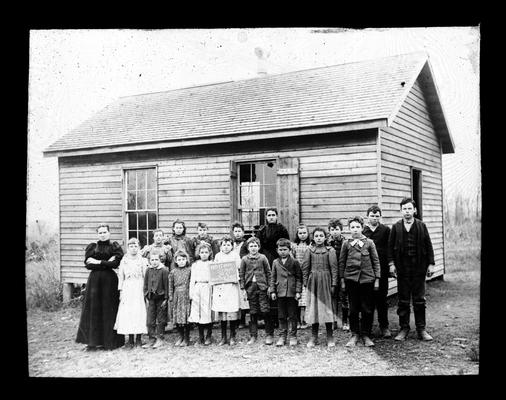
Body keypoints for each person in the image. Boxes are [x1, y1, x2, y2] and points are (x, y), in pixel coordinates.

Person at [388, 198, 435, 341]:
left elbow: (428, 245)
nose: (407, 212)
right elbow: (390, 248)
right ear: (401, 210)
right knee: (403, 300)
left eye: (410, 209)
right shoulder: (396, 227)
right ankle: (404, 328)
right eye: (404, 209)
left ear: (414, 210)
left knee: (419, 300)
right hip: (402, 269)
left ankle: (421, 329)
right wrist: (392, 264)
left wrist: (431, 264)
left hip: (419, 268)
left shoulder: (422, 226)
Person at [76, 223, 125, 351]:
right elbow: (88, 265)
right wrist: (106, 262)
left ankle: (109, 342)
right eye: (100, 232)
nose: (103, 235)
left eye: (105, 232)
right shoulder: (92, 247)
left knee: (109, 309)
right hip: (94, 282)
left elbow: (115, 263)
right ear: (97, 234)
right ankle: (92, 342)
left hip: (109, 281)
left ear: (109, 233)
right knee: (93, 309)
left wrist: (98, 261)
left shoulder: (114, 247)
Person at [339, 216, 380, 347]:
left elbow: (376, 261)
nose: (355, 230)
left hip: (367, 280)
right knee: (353, 309)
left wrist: (377, 279)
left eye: (357, 227)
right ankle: (355, 334)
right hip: (351, 280)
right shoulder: (346, 244)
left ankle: (366, 334)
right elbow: (342, 263)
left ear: (362, 228)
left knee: (367, 308)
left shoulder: (369, 243)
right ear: (349, 229)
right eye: (352, 227)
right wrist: (343, 280)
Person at [302, 227, 338, 348]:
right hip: (313, 282)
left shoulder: (330, 250)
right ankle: (314, 336)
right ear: (313, 237)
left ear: (325, 237)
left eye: (321, 236)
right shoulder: (309, 250)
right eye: (316, 236)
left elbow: (334, 269)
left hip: (326, 281)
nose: (319, 238)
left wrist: (333, 284)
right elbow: (305, 268)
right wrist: (305, 283)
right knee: (314, 308)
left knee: (327, 307)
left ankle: (329, 335)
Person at [257, 208, 289, 330]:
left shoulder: (282, 229)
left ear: (276, 216)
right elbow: (258, 246)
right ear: (266, 217)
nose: (271, 217)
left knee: (277, 286)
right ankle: (266, 319)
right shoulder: (262, 231)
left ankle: (278, 318)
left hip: (278, 259)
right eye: (269, 215)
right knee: (266, 287)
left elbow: (285, 244)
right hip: (265, 260)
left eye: (273, 215)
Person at [363, 205, 392, 338]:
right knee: (367, 299)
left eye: (377, 216)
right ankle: (367, 328)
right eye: (372, 216)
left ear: (380, 217)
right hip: (367, 270)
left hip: (382, 269)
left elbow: (390, 248)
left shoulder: (386, 230)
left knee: (382, 298)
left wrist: (391, 264)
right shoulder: (363, 231)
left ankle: (384, 326)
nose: (374, 218)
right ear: (367, 217)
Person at [114, 238, 149, 349]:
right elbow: (121, 277)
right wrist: (121, 290)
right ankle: (130, 340)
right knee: (128, 312)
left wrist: (145, 290)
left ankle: (138, 339)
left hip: (139, 287)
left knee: (138, 311)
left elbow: (146, 276)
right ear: (128, 248)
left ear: (139, 248)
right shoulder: (124, 260)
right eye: (131, 246)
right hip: (128, 287)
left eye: (135, 246)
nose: (133, 249)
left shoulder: (143, 260)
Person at [240, 237, 274, 345]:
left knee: (265, 310)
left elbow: (269, 273)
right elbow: (241, 274)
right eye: (251, 246)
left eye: (255, 246)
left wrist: (270, 287)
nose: (253, 248)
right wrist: (243, 288)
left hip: (262, 287)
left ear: (258, 247)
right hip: (250, 287)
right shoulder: (245, 259)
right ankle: (253, 335)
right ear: (248, 248)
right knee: (253, 312)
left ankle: (269, 334)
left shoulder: (263, 258)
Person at [270, 238, 302, 346]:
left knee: (292, 315)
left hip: (291, 292)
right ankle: (282, 336)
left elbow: (298, 278)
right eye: (280, 249)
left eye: (285, 249)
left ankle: (293, 336)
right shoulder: (275, 262)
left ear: (289, 250)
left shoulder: (295, 262)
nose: (282, 251)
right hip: (280, 292)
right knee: (281, 315)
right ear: (277, 250)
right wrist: (273, 291)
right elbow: (273, 278)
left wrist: (298, 291)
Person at [211, 235, 242, 346]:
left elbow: (238, 266)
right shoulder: (218, 256)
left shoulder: (235, 255)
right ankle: (223, 337)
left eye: (228, 245)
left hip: (231, 286)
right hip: (221, 287)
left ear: (232, 246)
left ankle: (232, 336)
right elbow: (215, 270)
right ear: (220, 246)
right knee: (223, 312)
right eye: (224, 245)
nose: (226, 247)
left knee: (231, 311)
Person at [188, 242, 214, 346]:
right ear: (198, 253)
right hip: (198, 288)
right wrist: (191, 292)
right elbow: (192, 280)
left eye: (206, 252)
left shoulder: (212, 264)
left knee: (207, 312)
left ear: (209, 253)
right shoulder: (195, 265)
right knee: (198, 313)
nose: (204, 254)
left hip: (208, 288)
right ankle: (201, 336)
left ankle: (208, 335)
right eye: (202, 252)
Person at [326, 218, 349, 332]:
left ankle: (345, 321)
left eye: (337, 229)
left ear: (341, 230)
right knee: (332, 297)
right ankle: (333, 321)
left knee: (344, 298)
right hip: (330, 274)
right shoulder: (327, 243)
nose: (335, 232)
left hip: (343, 274)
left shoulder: (346, 242)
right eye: (332, 229)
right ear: (329, 231)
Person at [143, 253, 169, 349]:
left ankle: (160, 338)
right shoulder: (148, 270)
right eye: (152, 260)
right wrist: (146, 294)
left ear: (160, 260)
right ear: (149, 260)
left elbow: (167, 285)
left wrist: (166, 298)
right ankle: (151, 338)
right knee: (150, 320)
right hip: (151, 298)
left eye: (156, 260)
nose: (154, 262)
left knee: (161, 319)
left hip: (161, 298)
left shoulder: (164, 270)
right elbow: (145, 284)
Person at [169, 250, 192, 346]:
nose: (181, 261)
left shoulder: (190, 270)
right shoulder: (173, 272)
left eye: (183, 259)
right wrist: (171, 296)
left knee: (186, 317)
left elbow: (192, 283)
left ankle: (186, 338)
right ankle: (181, 336)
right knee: (178, 317)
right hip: (177, 296)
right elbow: (170, 285)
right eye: (179, 259)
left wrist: (191, 295)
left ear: (186, 260)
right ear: (176, 261)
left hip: (186, 295)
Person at [230, 221, 250, 328]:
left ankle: (243, 319)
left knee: (243, 295)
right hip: (232, 271)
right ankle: (235, 320)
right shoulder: (230, 244)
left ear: (243, 232)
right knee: (234, 295)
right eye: (235, 231)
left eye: (239, 231)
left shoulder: (246, 244)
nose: (237, 233)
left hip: (243, 271)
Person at [291, 224, 311, 329]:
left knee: (305, 299)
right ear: (297, 234)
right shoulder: (294, 246)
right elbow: (292, 258)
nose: (302, 235)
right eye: (300, 233)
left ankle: (305, 320)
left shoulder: (311, 245)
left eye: (304, 233)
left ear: (308, 234)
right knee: (297, 298)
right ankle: (297, 320)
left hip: (307, 273)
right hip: (297, 273)